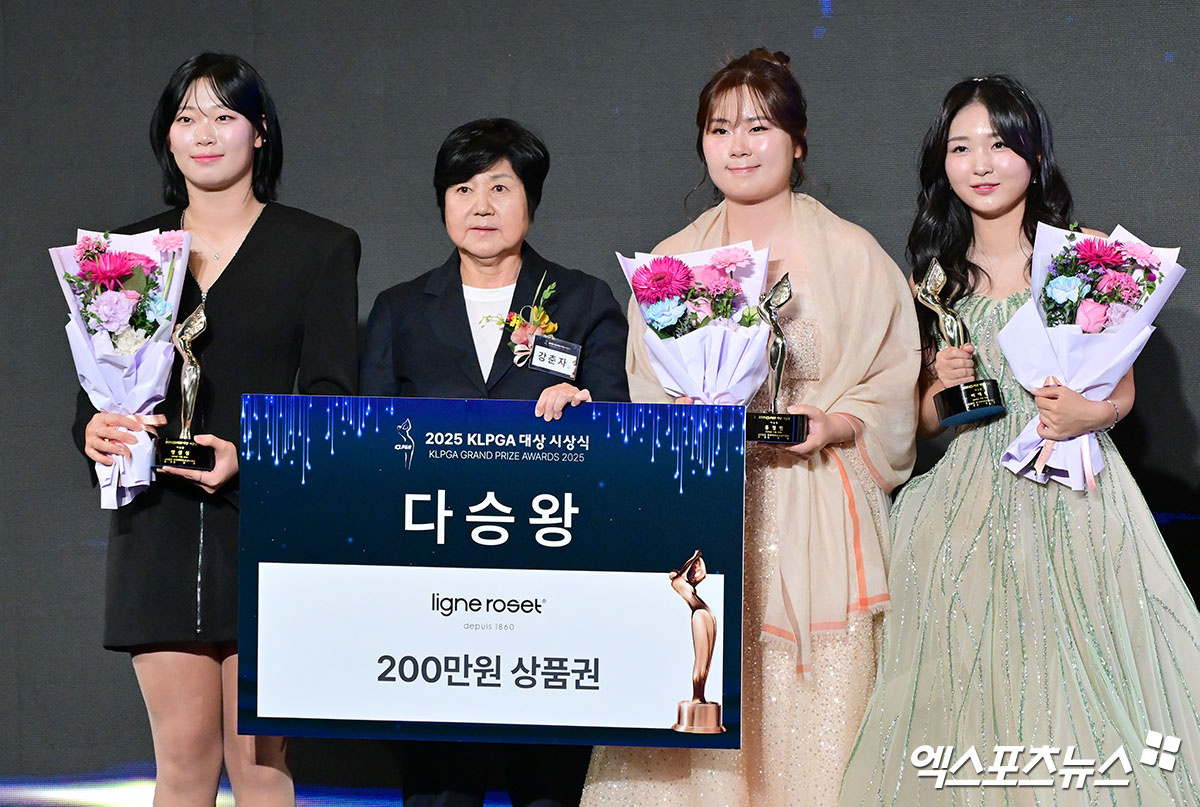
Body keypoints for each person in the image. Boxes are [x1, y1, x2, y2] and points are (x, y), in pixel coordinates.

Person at [840, 75, 1200, 806]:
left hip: (1076, 497)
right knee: (967, 678)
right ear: (941, 164)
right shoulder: (933, 281)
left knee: (1086, 675)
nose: (980, 164)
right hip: (963, 507)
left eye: (1000, 145)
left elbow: (1122, 395)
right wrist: (941, 387)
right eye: (961, 148)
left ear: (1034, 157)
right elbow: (925, 423)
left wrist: (1084, 415)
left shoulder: (1083, 260)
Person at [581, 48, 920, 807]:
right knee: (704, 673)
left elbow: (894, 381)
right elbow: (645, 390)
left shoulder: (853, 255)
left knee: (813, 717)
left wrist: (835, 421)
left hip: (814, 503)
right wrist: (684, 421)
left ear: (797, 142)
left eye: (759, 127)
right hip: (707, 507)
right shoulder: (671, 263)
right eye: (720, 128)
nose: (738, 145)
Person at [73, 53, 360, 806]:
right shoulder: (123, 255)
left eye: (224, 116)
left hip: (265, 527)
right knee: (184, 760)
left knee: (259, 763)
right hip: (157, 525)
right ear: (167, 136)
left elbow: (333, 401)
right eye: (186, 117)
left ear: (259, 132)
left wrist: (252, 456)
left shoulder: (319, 247)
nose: (204, 134)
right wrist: (94, 431)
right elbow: (96, 391)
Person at [360, 117, 629, 807]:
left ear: (530, 198)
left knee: (548, 787)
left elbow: (622, 429)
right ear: (442, 202)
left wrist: (586, 408)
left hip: (553, 583)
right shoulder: (398, 309)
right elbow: (368, 448)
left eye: (500, 187)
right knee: (441, 787)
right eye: (463, 188)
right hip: (434, 589)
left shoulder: (584, 299)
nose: (481, 205)